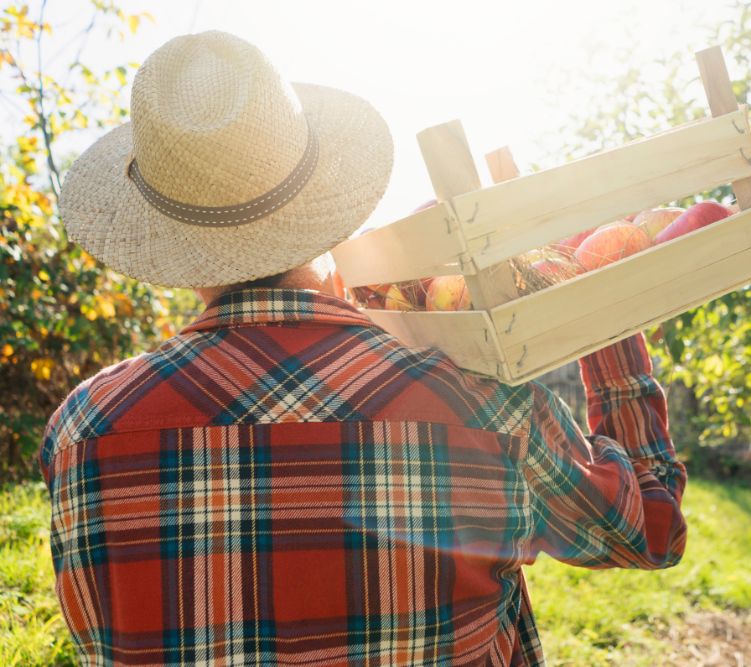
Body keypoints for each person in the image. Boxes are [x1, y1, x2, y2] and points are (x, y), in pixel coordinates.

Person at [43, 30, 687, 666]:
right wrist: (607, 320)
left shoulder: (81, 432)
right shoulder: (482, 407)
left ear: (168, 232)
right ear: (324, 199)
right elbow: (650, 532)